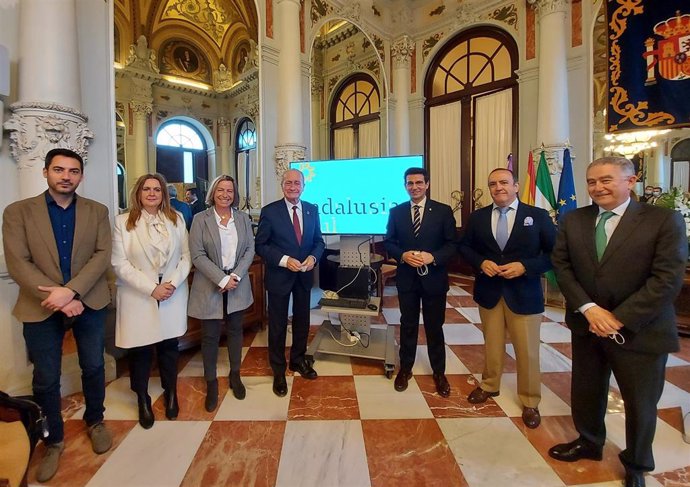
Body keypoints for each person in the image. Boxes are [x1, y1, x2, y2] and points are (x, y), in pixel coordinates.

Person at [548, 157, 687, 487]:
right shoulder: (574, 219)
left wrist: (616, 318)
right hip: (587, 325)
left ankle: (637, 463)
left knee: (640, 402)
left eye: (606, 180)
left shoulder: (664, 220)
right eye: (592, 182)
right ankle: (589, 442)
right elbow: (562, 267)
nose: (598, 188)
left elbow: (667, 279)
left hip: (642, 329)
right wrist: (588, 309)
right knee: (587, 390)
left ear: (631, 181)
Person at [2, 148, 113, 482]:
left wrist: (73, 291)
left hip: (88, 301)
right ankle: (53, 439)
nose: (66, 176)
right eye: (59, 170)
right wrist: (62, 298)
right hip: (41, 306)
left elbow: (102, 254)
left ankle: (95, 419)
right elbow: (18, 262)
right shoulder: (18, 211)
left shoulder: (97, 211)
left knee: (93, 366)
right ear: (46, 172)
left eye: (74, 171)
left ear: (81, 175)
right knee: (46, 377)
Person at [459, 168, 556, 428]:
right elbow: (465, 247)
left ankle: (530, 400)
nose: (498, 187)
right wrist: (481, 262)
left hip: (524, 293)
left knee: (527, 351)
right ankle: (490, 385)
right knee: (492, 344)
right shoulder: (478, 217)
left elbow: (554, 253)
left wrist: (525, 266)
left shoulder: (537, 216)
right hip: (489, 292)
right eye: (493, 184)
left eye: (504, 182)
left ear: (515, 185)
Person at [111, 174, 191, 430]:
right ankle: (143, 398)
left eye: (157, 189)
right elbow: (119, 263)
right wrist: (151, 289)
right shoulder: (123, 222)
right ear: (138, 193)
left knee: (170, 347)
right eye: (147, 189)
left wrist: (172, 284)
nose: (152, 193)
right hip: (139, 294)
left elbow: (186, 256)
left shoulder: (176, 219)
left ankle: (170, 392)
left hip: (171, 292)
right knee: (141, 350)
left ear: (163, 194)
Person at [384, 167, 457, 397]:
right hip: (407, 278)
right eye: (409, 183)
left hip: (434, 279)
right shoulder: (397, 212)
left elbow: (452, 244)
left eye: (418, 182)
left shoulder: (443, 211)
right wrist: (403, 256)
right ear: (405, 186)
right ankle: (405, 368)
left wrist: (433, 257)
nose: (414, 187)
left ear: (427, 184)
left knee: (435, 327)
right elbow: (389, 242)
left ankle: (439, 372)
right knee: (408, 325)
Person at [255, 169, 325, 397]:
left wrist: (313, 258)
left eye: (297, 183)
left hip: (304, 275)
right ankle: (278, 369)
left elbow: (319, 241)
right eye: (288, 183)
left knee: (303, 320)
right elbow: (261, 245)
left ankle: (297, 360)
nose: (293, 186)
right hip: (280, 275)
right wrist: (285, 261)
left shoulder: (312, 210)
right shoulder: (270, 211)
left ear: (303, 186)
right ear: (282, 185)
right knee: (277, 324)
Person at [188, 175, 255, 410]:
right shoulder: (200, 219)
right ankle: (211, 381)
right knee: (210, 336)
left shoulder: (243, 218)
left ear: (234, 194)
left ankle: (235, 375)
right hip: (210, 285)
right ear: (212, 193)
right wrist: (222, 278)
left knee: (236, 332)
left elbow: (249, 249)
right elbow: (196, 254)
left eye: (229, 190)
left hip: (237, 283)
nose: (225, 194)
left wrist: (234, 276)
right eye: (220, 190)